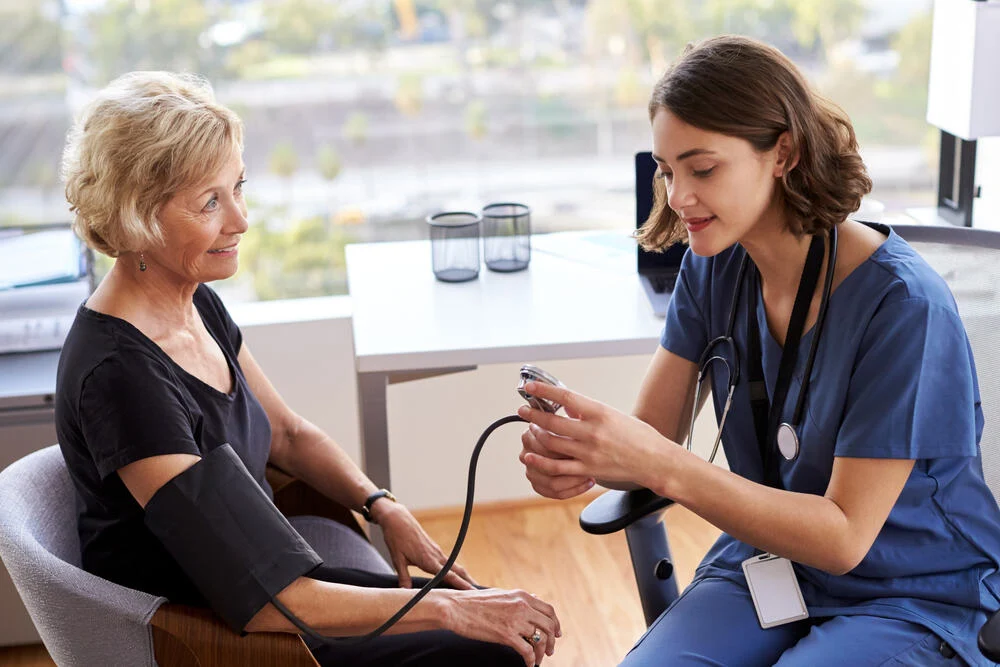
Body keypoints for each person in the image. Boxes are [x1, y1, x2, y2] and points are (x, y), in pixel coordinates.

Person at [518, 35, 1000, 666]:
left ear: (784, 154)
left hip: (909, 590)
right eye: (667, 171)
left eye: (703, 169)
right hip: (769, 564)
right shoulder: (714, 266)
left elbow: (846, 536)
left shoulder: (903, 306)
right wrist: (586, 454)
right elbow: (652, 439)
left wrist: (660, 464)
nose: (678, 197)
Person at [56, 70, 558, 667]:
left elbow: (289, 435)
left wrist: (383, 506)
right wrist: (448, 611)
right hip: (220, 637)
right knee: (487, 645)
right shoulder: (121, 380)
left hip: (267, 581)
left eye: (237, 188)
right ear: (136, 214)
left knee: (485, 623)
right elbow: (271, 600)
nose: (240, 220)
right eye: (209, 202)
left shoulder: (195, 304)